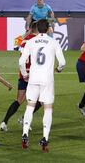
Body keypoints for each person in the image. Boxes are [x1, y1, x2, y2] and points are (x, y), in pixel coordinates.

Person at [19, 19, 66, 152]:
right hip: (47, 80)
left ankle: (25, 134)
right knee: (48, 109)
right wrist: (59, 69)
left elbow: (21, 61)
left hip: (33, 78)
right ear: (48, 28)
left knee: (30, 106)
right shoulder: (53, 42)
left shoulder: (31, 41)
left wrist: (25, 75)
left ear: (37, 29)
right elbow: (62, 62)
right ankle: (45, 138)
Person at [0, 22, 42, 131]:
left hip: (23, 75)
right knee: (40, 100)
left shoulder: (23, 41)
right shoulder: (38, 41)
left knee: (19, 100)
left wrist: (24, 74)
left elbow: (16, 47)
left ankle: (4, 122)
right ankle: (24, 119)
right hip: (34, 75)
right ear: (37, 29)